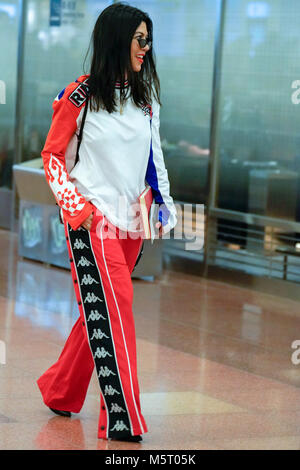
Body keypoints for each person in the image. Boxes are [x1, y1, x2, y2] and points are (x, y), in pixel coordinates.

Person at [36, 2, 177, 443]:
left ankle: (60, 389)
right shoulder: (81, 94)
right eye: (139, 38)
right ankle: (123, 418)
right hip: (90, 220)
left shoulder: (146, 98)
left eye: (148, 38)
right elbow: (52, 156)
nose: (146, 47)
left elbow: (155, 159)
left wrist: (165, 205)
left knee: (98, 311)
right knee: (116, 309)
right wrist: (77, 208)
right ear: (118, 40)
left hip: (130, 225)